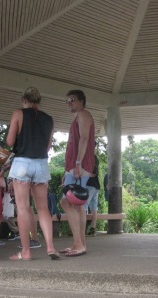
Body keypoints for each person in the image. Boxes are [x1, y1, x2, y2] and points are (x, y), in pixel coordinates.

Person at [6, 86, 59, 261]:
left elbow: (10, 141)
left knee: (22, 208)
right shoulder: (49, 119)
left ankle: (26, 252)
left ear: (23, 99)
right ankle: (50, 247)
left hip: (22, 163)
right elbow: (48, 146)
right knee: (43, 208)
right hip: (41, 163)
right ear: (39, 100)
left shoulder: (18, 114)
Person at [60, 89, 95, 257]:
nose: (69, 103)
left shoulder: (83, 114)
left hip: (79, 166)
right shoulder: (79, 116)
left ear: (82, 100)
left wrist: (78, 163)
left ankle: (78, 243)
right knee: (77, 205)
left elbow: (85, 139)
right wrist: (68, 169)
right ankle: (80, 244)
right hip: (74, 167)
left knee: (67, 203)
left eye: (72, 100)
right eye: (67, 101)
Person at [85, 155, 100, 237]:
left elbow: (91, 174)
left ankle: (82, 229)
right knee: (94, 208)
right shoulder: (95, 157)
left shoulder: (87, 157)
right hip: (96, 186)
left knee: (83, 206)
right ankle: (93, 228)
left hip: (89, 185)